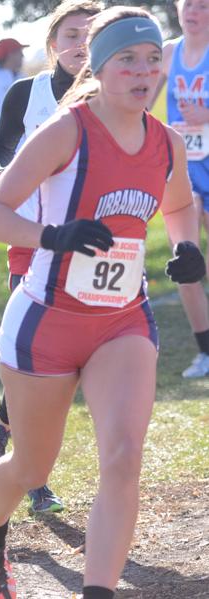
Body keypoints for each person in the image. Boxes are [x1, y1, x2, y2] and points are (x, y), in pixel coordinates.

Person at [0, 7, 206, 598]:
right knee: (31, 468)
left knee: (124, 458)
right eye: (127, 58)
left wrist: (186, 247)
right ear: (101, 66)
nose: (143, 70)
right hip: (45, 321)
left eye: (153, 59)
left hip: (123, 321)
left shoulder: (167, 143)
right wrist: (53, 235)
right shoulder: (66, 130)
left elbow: (178, 206)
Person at [0, 0, 103, 516]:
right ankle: (32, 478)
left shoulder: (103, 99)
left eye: (91, 38)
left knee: (60, 368)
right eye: (72, 35)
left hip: (83, 241)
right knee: (31, 354)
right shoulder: (24, 94)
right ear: (52, 44)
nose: (80, 47)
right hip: (29, 236)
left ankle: (6, 432)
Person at [156, 0, 209, 378]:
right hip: (183, 171)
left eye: (203, 6)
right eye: (188, 3)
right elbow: (135, 91)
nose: (193, 11)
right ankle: (205, 351)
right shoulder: (169, 52)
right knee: (186, 259)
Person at [0, 38, 28, 151]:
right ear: (10, 55)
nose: (22, 56)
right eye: (19, 52)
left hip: (19, 145)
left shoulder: (23, 78)